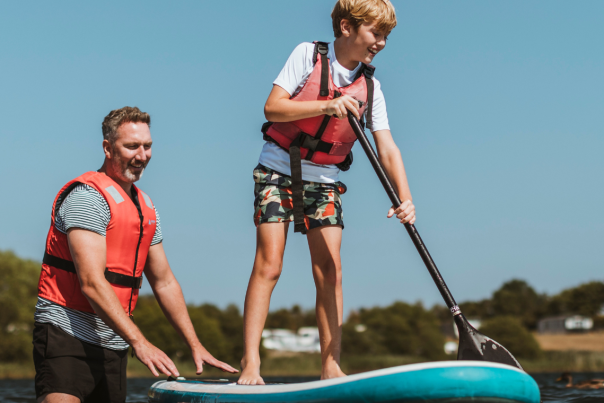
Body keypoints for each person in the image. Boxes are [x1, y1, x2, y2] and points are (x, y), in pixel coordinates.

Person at [239, 0, 415, 385]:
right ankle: (250, 363)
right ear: (347, 27)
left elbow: (387, 146)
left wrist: (405, 197)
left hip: (325, 179)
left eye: (386, 36)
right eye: (376, 33)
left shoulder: (371, 87)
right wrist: (328, 104)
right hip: (277, 169)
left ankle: (331, 365)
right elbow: (273, 108)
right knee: (270, 264)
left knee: (330, 269)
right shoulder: (308, 54)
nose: (382, 43)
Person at [34, 107, 238, 403]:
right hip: (67, 334)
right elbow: (91, 282)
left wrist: (195, 344)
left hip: (114, 343)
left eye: (147, 146)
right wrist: (141, 343)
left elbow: (165, 282)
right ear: (107, 148)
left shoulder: (146, 208)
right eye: (132, 146)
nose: (142, 155)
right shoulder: (87, 198)